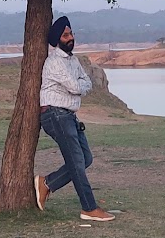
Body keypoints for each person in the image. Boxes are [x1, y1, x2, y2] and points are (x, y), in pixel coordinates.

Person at [34, 15, 114, 222]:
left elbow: (85, 83)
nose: (71, 38)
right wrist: (78, 87)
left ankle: (47, 184)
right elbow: (76, 87)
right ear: (57, 39)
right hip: (55, 115)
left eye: (71, 34)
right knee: (77, 162)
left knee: (85, 159)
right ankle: (89, 208)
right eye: (66, 35)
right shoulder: (54, 62)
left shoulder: (74, 61)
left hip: (69, 115)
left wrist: (79, 87)